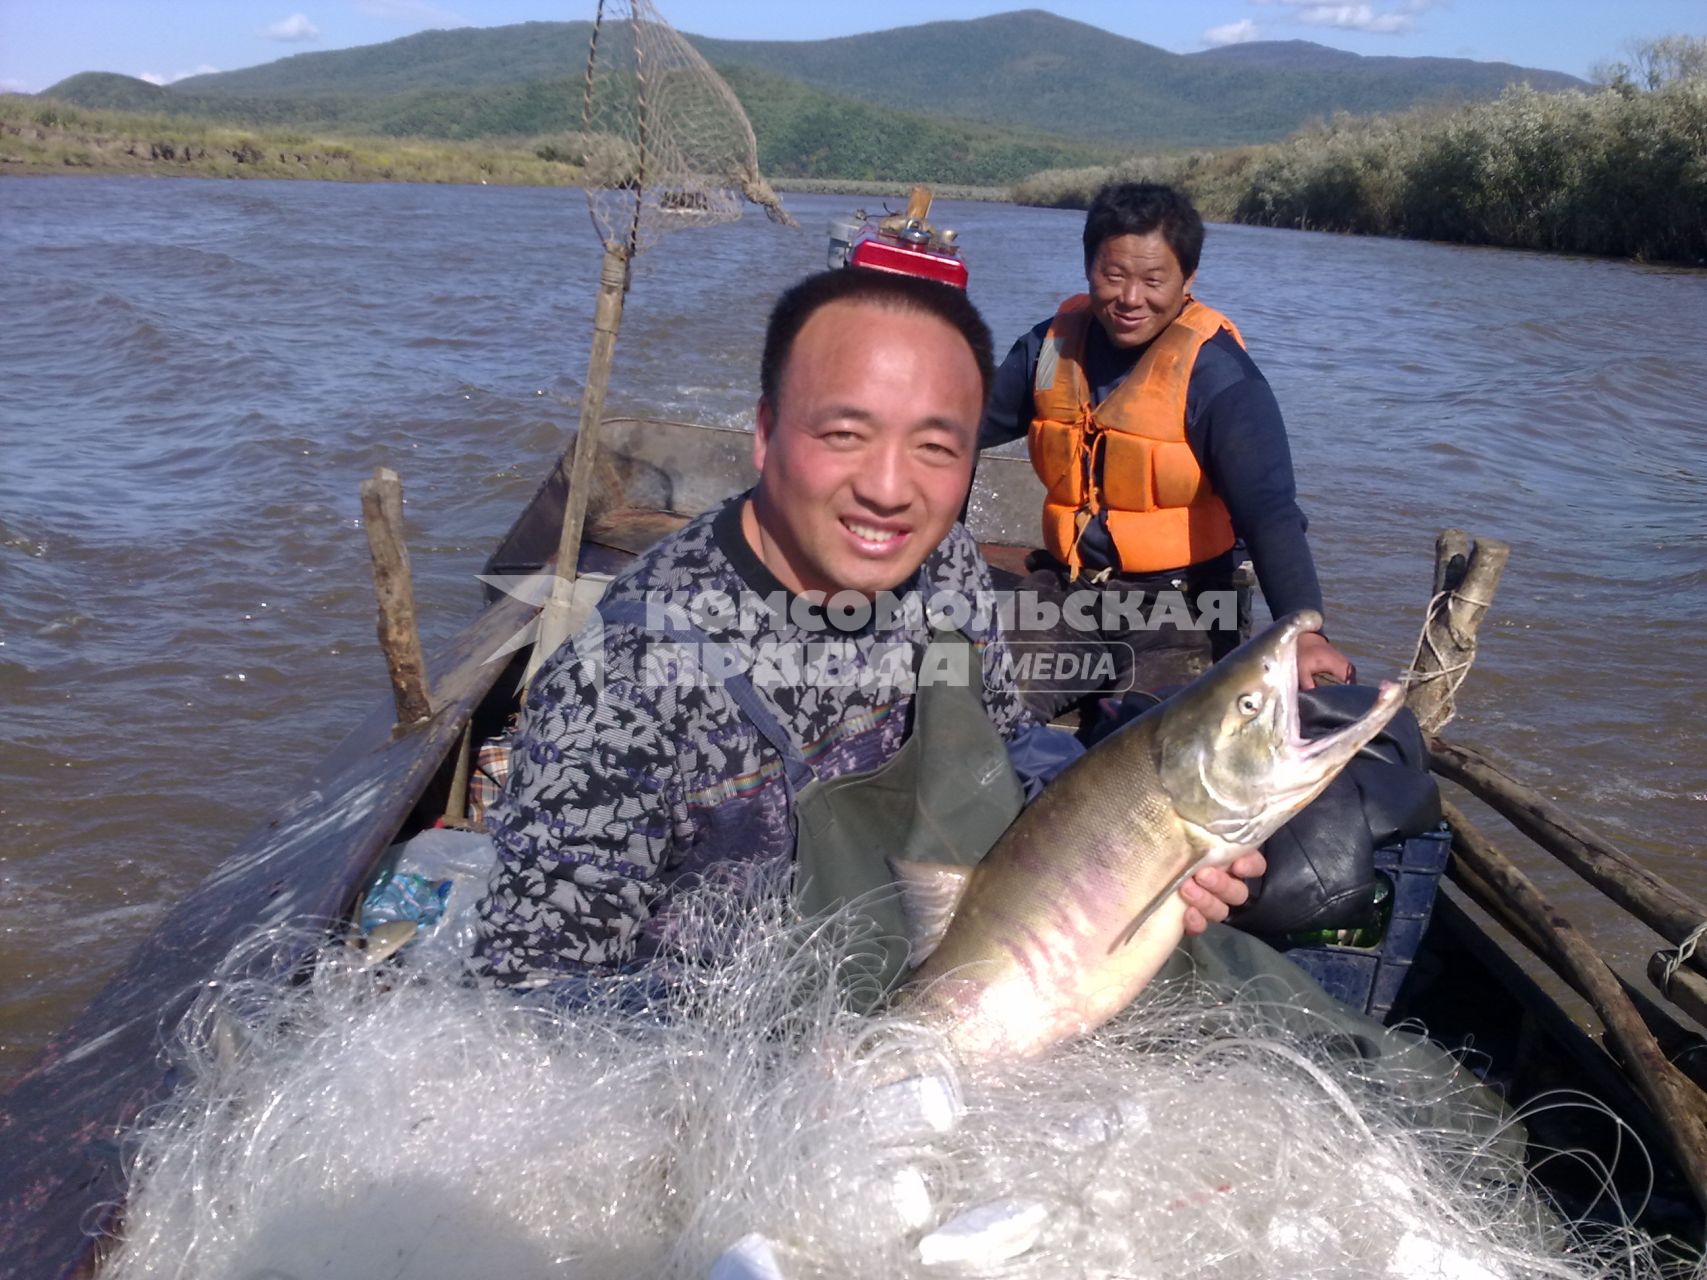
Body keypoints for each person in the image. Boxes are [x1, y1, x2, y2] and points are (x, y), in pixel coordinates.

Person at [473, 267, 1261, 992]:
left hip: (949, 966)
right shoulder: (624, 684)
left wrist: (1139, 850)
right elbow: (531, 1003)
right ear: (765, 432)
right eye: (845, 435)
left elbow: (1001, 746)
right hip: (729, 1055)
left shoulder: (944, 563)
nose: (889, 489)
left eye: (934, 447)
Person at [980, 182, 1354, 717]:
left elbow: (1270, 512)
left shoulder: (1219, 377)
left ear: (1187, 280)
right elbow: (958, 430)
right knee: (977, 708)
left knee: (1148, 748)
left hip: (1185, 613)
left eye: (1154, 280)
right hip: (1069, 596)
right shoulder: (1048, 350)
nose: (1131, 299)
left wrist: (1305, 628)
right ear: (1089, 268)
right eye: (1114, 276)